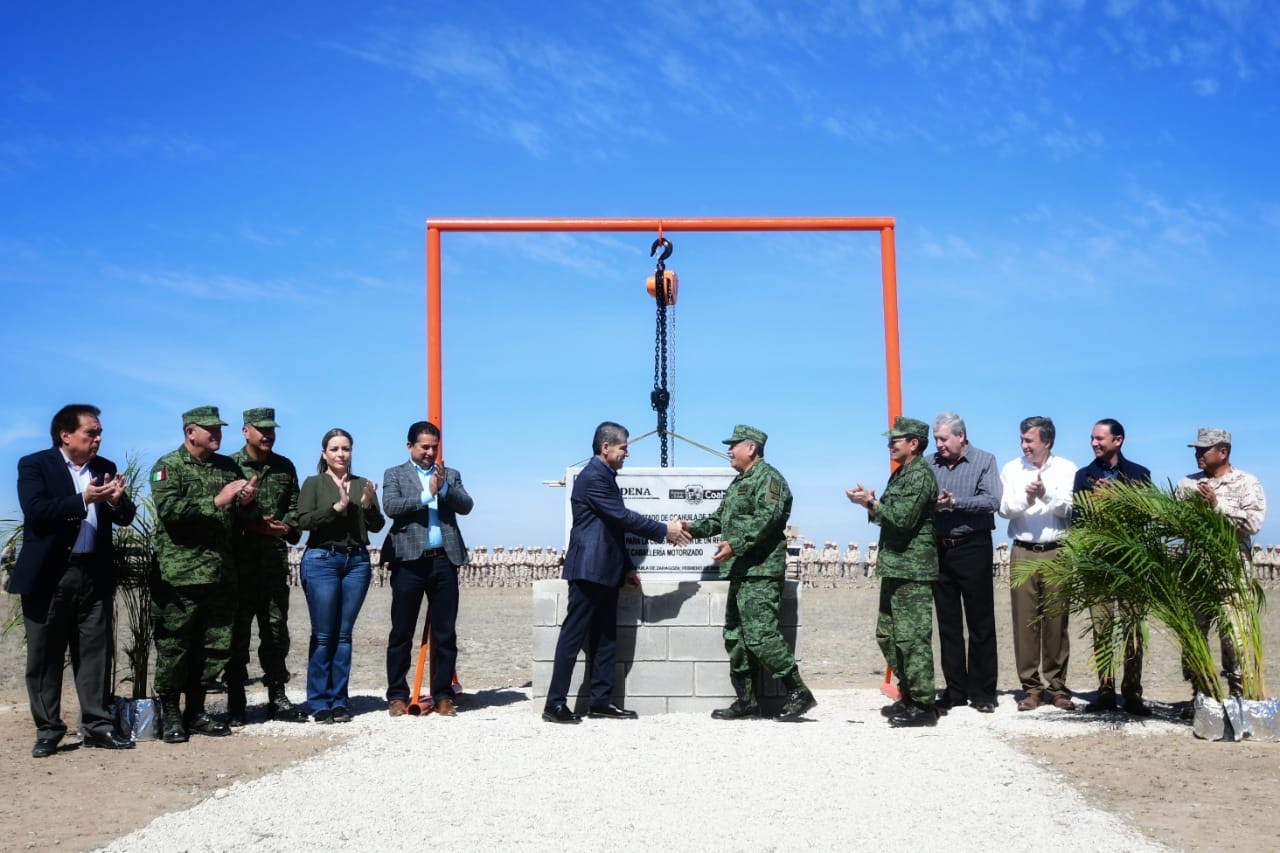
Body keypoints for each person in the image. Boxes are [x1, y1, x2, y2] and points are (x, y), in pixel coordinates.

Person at [543, 421, 689, 724]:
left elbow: (612, 529)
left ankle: (600, 701)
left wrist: (627, 567)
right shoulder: (593, 477)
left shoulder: (605, 476)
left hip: (607, 570)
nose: (627, 453)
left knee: (606, 638)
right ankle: (554, 704)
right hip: (588, 570)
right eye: (623, 447)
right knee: (573, 636)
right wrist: (665, 530)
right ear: (605, 447)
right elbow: (622, 517)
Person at [13, 404, 137, 757]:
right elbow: (37, 511)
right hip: (50, 575)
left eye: (100, 433)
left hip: (93, 574)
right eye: (91, 432)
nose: (98, 439)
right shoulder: (35, 465)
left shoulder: (104, 467)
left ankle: (97, 725)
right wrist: (83, 499)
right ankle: (49, 730)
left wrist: (116, 501)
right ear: (65, 435)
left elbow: (125, 516)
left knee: (95, 653)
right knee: (45, 656)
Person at [687, 425, 816, 722]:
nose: (729, 450)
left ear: (751, 448)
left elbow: (768, 519)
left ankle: (798, 692)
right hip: (741, 573)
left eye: (734, 445)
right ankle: (747, 701)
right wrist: (688, 529)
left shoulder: (769, 479)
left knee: (761, 636)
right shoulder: (739, 482)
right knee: (736, 636)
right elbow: (718, 519)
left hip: (760, 572)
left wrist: (735, 544)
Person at [151, 406, 258, 743]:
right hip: (179, 575)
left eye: (219, 429)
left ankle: (196, 711)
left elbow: (240, 517)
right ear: (190, 432)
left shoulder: (228, 467)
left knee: (213, 646)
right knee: (175, 647)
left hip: (220, 574)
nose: (217, 434)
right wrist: (217, 500)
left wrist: (245, 502)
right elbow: (169, 510)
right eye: (210, 429)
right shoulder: (168, 466)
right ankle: (170, 712)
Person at [847, 416, 940, 727]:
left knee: (913, 639)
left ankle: (924, 705)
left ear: (913, 443)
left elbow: (902, 519)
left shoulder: (920, 476)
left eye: (895, 441)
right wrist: (869, 504)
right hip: (896, 566)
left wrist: (872, 502)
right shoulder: (901, 475)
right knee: (888, 635)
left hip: (913, 569)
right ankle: (910, 694)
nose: (890, 445)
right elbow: (886, 516)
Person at [382, 421, 473, 718]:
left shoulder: (450, 475)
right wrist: (427, 494)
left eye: (434, 447)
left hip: (444, 561)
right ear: (410, 446)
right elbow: (391, 507)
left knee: (445, 633)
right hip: (409, 562)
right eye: (424, 447)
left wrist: (443, 488)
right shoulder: (395, 474)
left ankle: (443, 695)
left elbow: (466, 505)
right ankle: (397, 695)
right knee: (401, 631)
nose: (430, 453)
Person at [225, 408, 308, 726]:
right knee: (237, 636)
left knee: (275, 633)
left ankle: (277, 697)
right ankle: (236, 700)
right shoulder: (229, 466)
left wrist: (286, 527)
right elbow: (223, 511)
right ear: (246, 431)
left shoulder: (285, 466)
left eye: (271, 429)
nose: (268, 435)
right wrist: (254, 524)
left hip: (273, 563)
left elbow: (294, 506)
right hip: (239, 565)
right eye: (261, 429)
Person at [297, 428, 385, 723]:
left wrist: (368, 504)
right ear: (324, 454)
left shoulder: (362, 484)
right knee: (324, 635)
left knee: (344, 635)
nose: (341, 454)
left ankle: (339, 700)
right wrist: (336, 508)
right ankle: (319, 701)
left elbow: (376, 526)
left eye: (345, 448)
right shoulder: (313, 483)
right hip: (322, 560)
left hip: (356, 562)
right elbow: (303, 520)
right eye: (334, 449)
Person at [1175, 427, 1267, 702]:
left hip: (1232, 578)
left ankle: (1240, 698)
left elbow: (1253, 524)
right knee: (1193, 640)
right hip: (1196, 576)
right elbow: (1177, 523)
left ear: (1223, 452)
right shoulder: (1187, 485)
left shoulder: (1246, 482)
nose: (1198, 455)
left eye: (1204, 450)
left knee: (1236, 642)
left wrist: (1217, 506)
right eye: (1196, 450)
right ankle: (1201, 697)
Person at [1073, 418, 1152, 716]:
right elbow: (1077, 520)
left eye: (1100, 438)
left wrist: (1118, 499)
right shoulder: (1084, 476)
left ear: (1118, 440)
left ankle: (1132, 694)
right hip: (1099, 566)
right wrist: (1095, 504)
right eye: (1092, 438)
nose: (1094, 443)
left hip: (1132, 567)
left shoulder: (1139, 475)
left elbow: (1146, 518)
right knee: (1102, 630)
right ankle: (1105, 692)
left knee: (1133, 630)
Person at [998, 416, 1076, 712]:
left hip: (1058, 552)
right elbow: (1005, 509)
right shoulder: (1012, 469)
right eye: (1022, 440)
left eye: (1029, 440)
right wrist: (1028, 499)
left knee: (1057, 622)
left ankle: (1057, 687)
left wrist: (1046, 494)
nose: (1024, 446)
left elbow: (1070, 509)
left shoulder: (1067, 469)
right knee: (1025, 622)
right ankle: (1031, 688)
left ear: (1048, 441)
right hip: (1023, 551)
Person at [929, 412, 1002, 714]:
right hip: (940, 550)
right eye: (936, 439)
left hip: (973, 547)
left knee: (980, 622)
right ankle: (955, 691)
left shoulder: (984, 460)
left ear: (961, 436)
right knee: (948, 624)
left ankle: (983, 693)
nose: (939, 444)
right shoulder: (928, 464)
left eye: (943, 438)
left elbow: (992, 501)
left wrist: (954, 502)